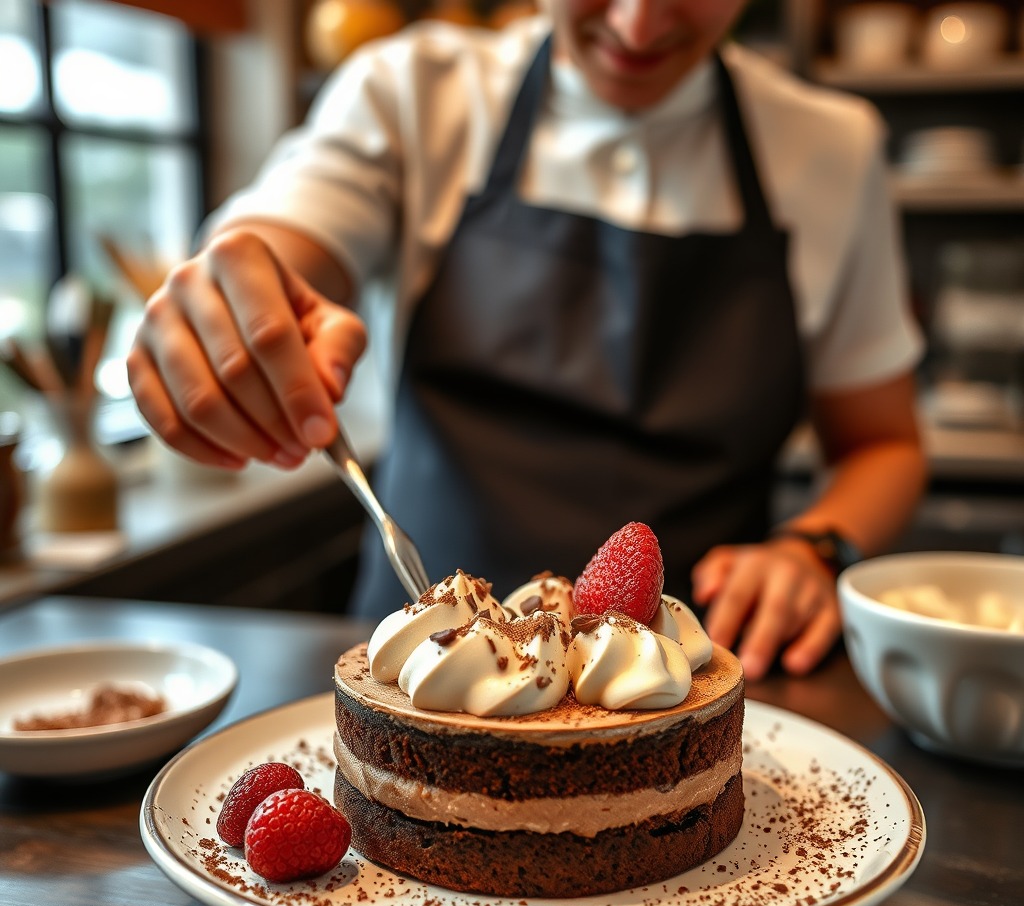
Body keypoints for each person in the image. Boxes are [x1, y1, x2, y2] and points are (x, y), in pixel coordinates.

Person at [127, 0, 928, 682]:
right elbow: (288, 236)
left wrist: (811, 548)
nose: (638, 21)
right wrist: (241, 298)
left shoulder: (833, 148)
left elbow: (883, 443)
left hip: (704, 680)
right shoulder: (414, 91)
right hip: (422, 669)